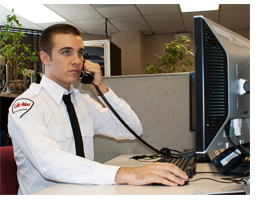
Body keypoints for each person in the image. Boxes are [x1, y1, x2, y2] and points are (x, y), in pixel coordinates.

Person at [8, 24, 188, 195]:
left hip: (85, 192)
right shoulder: (27, 106)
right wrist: (128, 174)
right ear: (45, 58)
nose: (77, 61)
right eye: (66, 52)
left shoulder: (83, 101)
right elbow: (51, 163)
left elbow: (132, 130)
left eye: (80, 53)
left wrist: (102, 90)